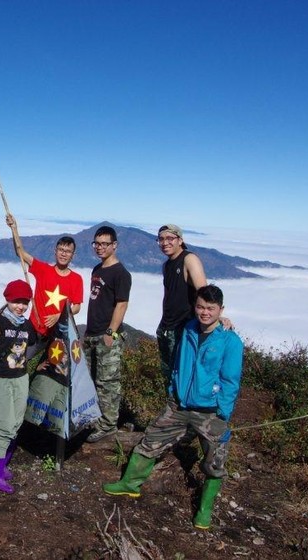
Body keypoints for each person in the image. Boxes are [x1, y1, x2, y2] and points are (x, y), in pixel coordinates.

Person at [102, 285, 244, 530]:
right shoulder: (189, 328)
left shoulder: (230, 341)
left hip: (210, 411)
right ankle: (130, 484)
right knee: (151, 439)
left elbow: (231, 380)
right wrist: (172, 392)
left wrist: (223, 413)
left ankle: (204, 510)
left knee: (215, 458)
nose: (204, 312)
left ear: (221, 310)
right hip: (178, 404)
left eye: (211, 308)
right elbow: (179, 363)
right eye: (200, 307)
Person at [0, 280, 37, 494]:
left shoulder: (26, 324)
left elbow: (32, 343)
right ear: (7, 299)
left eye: (24, 302)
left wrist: (24, 359)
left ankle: (1, 466)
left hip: (20, 377)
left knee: (15, 425)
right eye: (16, 301)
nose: (20, 306)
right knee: (4, 428)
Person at [83, 225, 132, 443]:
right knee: (92, 379)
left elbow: (122, 304)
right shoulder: (97, 269)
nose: (100, 248)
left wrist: (111, 332)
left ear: (114, 245)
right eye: (97, 243)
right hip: (92, 333)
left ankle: (108, 425)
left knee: (108, 382)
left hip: (107, 334)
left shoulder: (121, 273)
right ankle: (95, 419)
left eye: (105, 244)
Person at [5, 214, 84, 339]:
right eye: (61, 250)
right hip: (34, 327)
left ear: (73, 255)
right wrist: (14, 228)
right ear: (55, 251)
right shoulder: (43, 270)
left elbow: (77, 307)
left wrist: (59, 316)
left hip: (57, 332)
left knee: (52, 359)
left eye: (68, 251)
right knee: (21, 356)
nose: (63, 254)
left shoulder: (76, 279)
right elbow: (20, 253)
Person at [155, 224, 207, 383]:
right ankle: (171, 404)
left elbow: (204, 292)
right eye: (161, 239)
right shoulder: (167, 265)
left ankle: (180, 406)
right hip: (166, 327)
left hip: (183, 327)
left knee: (181, 374)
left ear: (180, 240)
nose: (165, 243)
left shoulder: (189, 259)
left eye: (170, 238)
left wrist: (216, 318)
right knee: (168, 374)